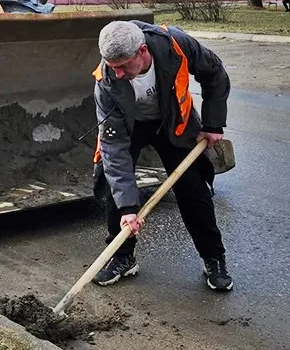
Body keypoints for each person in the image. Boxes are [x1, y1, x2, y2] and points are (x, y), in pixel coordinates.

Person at [91, 20, 233, 291]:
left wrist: (213, 123)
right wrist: (128, 209)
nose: (117, 73)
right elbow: (114, 148)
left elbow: (214, 72)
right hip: (131, 126)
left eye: (123, 66)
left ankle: (213, 258)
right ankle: (122, 256)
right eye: (112, 66)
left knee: (193, 190)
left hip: (173, 121)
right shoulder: (107, 81)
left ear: (142, 51)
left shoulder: (176, 45)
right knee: (113, 186)